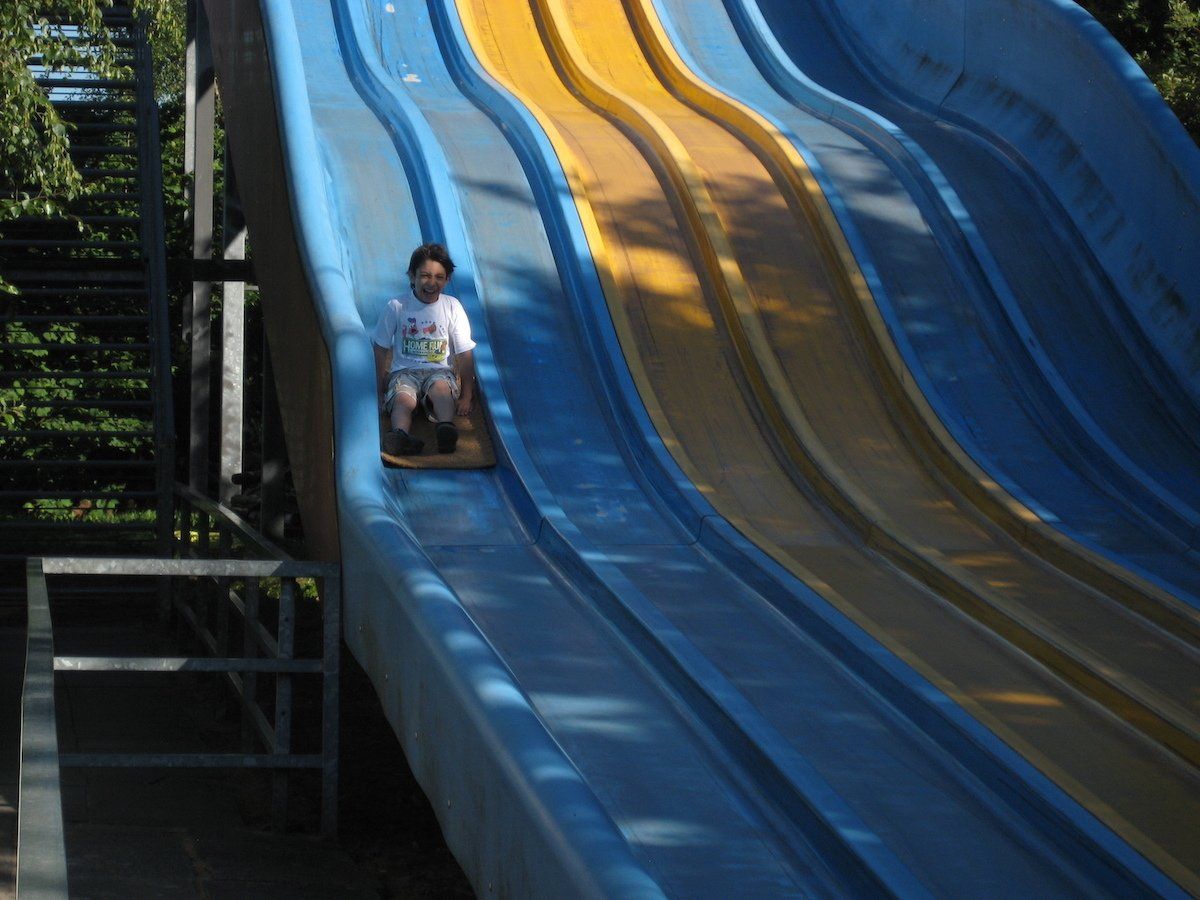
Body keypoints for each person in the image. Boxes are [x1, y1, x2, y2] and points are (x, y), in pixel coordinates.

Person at [372, 243, 476, 455]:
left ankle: (446, 429)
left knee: (441, 390)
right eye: (425, 275)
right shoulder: (397, 306)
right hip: (404, 372)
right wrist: (379, 390)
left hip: (439, 371)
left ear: (447, 280)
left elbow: (465, 354)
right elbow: (380, 348)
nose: (431, 283)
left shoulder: (452, 306)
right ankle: (400, 436)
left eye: (439, 277)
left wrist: (466, 395)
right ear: (412, 276)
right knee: (402, 399)